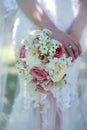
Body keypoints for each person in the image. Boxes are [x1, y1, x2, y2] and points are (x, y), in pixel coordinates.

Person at [4, 0, 87, 130]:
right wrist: (51, 28)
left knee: (64, 101)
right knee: (36, 103)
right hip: (34, 22)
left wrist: (75, 36)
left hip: (73, 27)